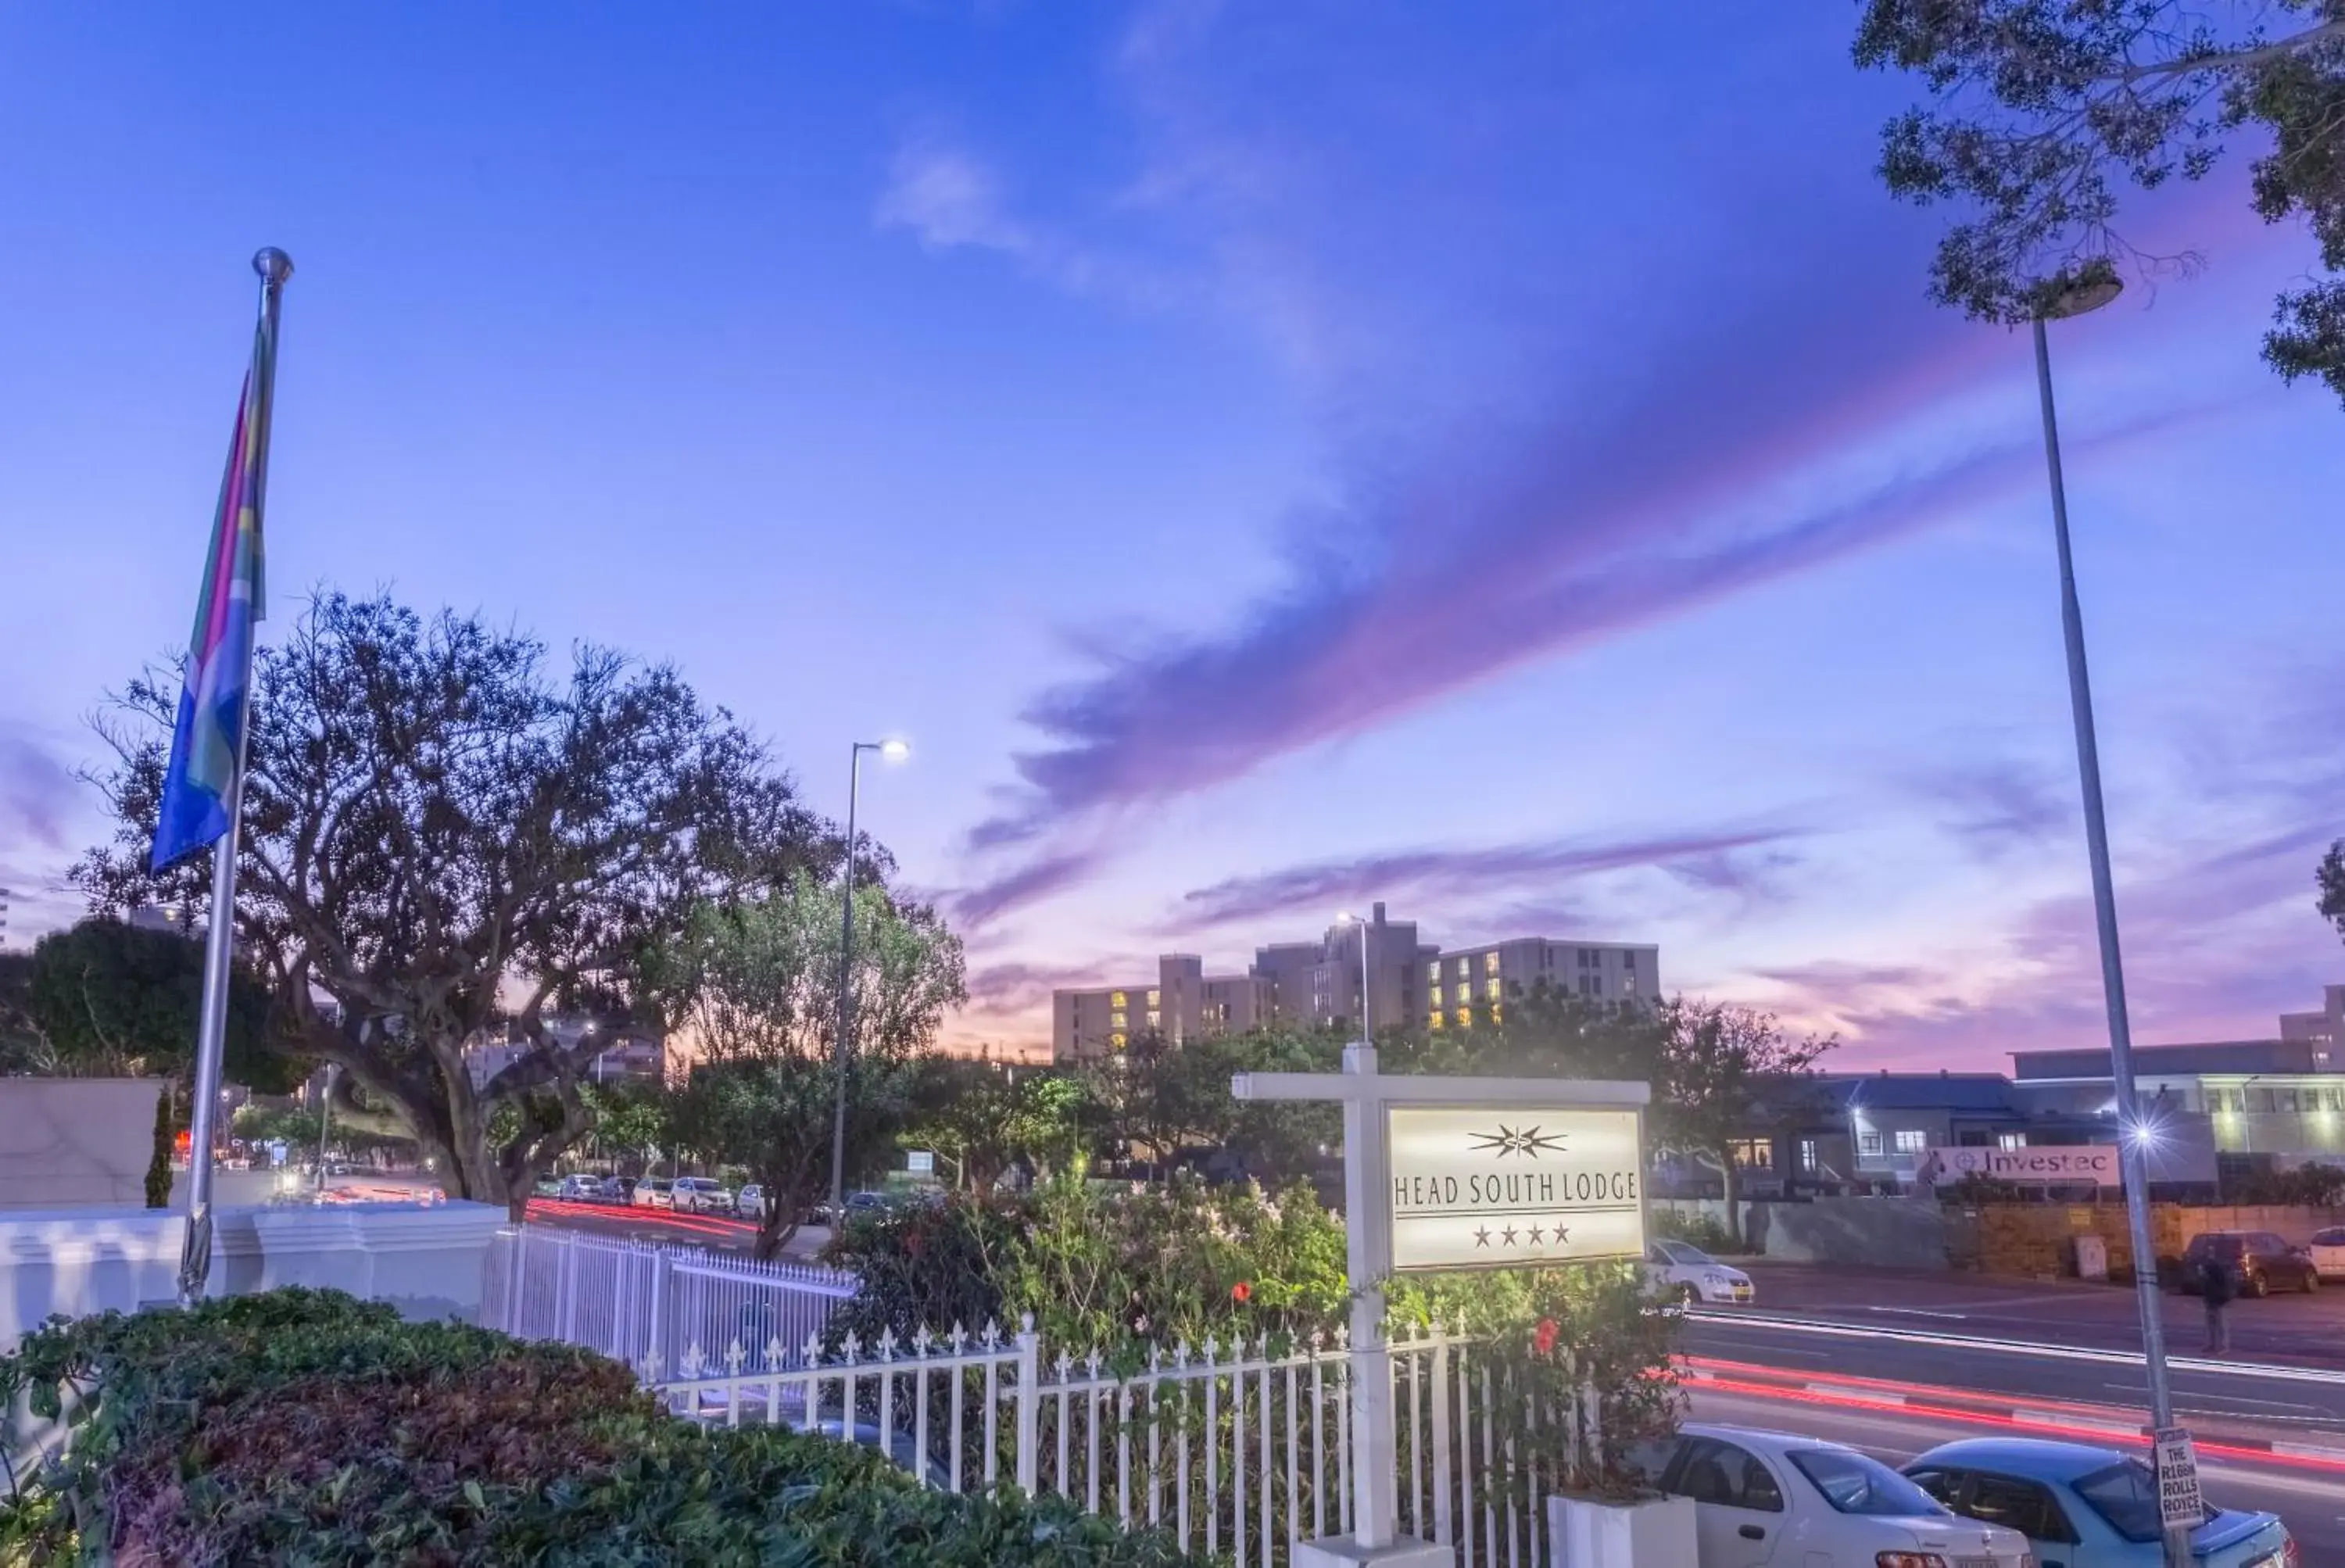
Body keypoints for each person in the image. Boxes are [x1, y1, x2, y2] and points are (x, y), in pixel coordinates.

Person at [2203, 1250, 2236, 1355]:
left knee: (2219, 1324)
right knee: (2213, 1323)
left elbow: (2221, 1285)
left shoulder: (2215, 1270)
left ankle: (2221, 1346)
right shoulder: (2211, 1270)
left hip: (2218, 1299)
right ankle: (2214, 1345)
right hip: (2214, 1299)